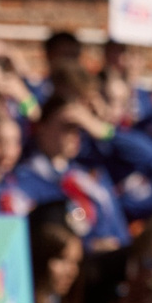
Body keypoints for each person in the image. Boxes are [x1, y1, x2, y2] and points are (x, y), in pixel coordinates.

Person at [11, 93, 129, 250]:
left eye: (79, 128)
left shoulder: (92, 177)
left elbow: (149, 156)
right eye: (66, 127)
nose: (74, 135)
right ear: (42, 128)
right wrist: (88, 247)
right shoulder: (23, 180)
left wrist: (98, 128)